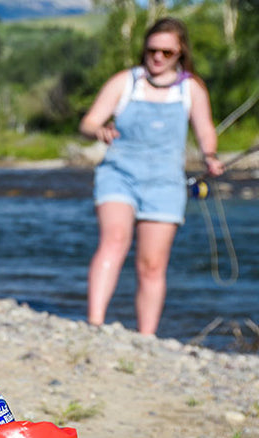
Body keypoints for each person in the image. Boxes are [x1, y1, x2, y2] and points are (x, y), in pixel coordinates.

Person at [79, 17, 224, 335]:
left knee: (152, 264)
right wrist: (99, 130)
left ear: (180, 53)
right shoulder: (125, 82)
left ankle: (146, 337)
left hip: (166, 184)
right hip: (118, 175)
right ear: (144, 49)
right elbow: (88, 123)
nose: (158, 57)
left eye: (167, 52)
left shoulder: (191, 89)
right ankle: (94, 325)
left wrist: (210, 157)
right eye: (152, 50)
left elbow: (205, 131)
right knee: (114, 241)